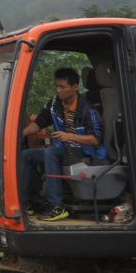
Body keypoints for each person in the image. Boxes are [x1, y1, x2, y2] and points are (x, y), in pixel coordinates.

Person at [21, 67, 107, 221]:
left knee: (51, 152)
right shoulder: (55, 104)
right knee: (27, 155)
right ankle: (30, 201)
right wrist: (22, 133)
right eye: (57, 86)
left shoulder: (88, 109)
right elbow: (40, 122)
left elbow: (96, 139)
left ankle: (57, 205)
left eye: (63, 87)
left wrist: (69, 136)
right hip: (64, 149)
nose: (59, 90)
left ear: (75, 87)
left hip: (84, 150)